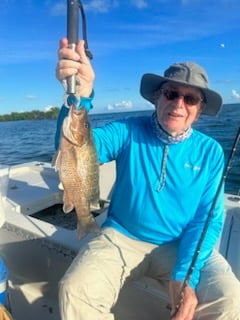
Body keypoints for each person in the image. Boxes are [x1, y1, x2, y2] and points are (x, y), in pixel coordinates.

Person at [55, 38, 240, 320]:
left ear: (199, 109)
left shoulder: (210, 152)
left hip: (181, 245)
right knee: (74, 291)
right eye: (171, 93)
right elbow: (73, 149)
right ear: (157, 97)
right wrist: (81, 95)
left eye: (190, 98)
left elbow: (207, 220)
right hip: (121, 236)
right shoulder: (127, 131)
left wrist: (183, 276)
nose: (179, 104)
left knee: (230, 301)